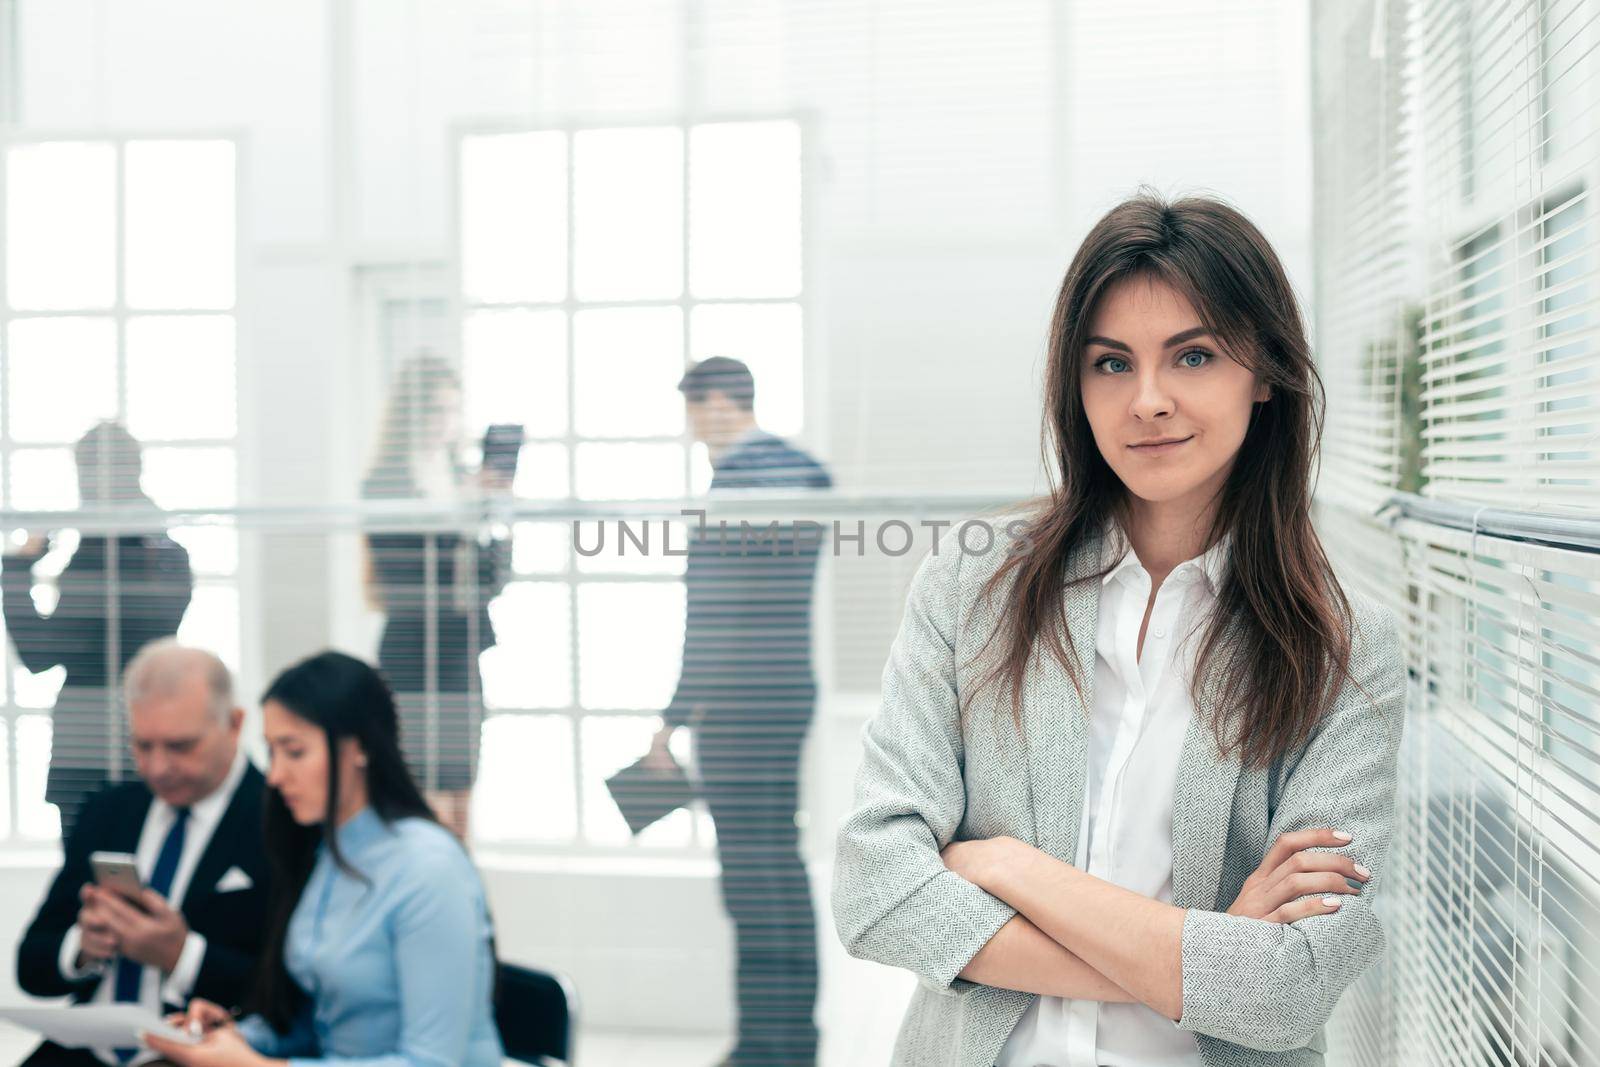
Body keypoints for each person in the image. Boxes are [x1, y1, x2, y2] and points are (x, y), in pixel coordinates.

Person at [831, 193, 1409, 1066]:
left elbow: (1287, 989)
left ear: (1264, 372)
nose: (1147, 400)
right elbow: (875, 889)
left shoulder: (1341, 650)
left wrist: (1010, 867)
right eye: (1110, 363)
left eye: (1194, 355)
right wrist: (1197, 952)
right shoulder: (971, 583)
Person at [143, 651, 503, 1067]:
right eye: (272, 752)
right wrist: (237, 1036)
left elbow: (432, 1063)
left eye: (294, 752)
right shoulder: (326, 854)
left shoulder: (429, 869)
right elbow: (324, 1025)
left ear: (360, 747)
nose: (275, 776)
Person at [643, 356, 832, 1067]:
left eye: (695, 415)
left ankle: (768, 1046)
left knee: (754, 878)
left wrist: (674, 714)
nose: (696, 434)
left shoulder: (741, 481)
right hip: (783, 694)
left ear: (716, 403)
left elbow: (715, 612)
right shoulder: (804, 473)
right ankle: (785, 1040)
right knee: (774, 868)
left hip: (739, 705)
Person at [15, 641, 269, 1067]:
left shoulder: (282, 820)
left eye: (180, 746)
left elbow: (294, 997)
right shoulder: (109, 811)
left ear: (235, 724)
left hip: (202, 1055)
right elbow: (31, 966)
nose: (157, 767)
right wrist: (83, 946)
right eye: (142, 745)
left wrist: (180, 955)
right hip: (83, 1049)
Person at [3, 421, 193, 838]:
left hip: (112, 737)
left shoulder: (103, 560)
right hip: (129, 731)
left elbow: (39, 655)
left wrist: (18, 567)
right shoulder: (168, 555)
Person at [360, 354, 510, 840]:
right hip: (412, 653)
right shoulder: (384, 484)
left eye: (450, 410)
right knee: (420, 801)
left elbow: (494, 580)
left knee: (462, 795)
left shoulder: (464, 480)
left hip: (459, 654)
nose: (442, 423)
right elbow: (407, 580)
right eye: (431, 410)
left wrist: (496, 514)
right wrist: (457, 521)